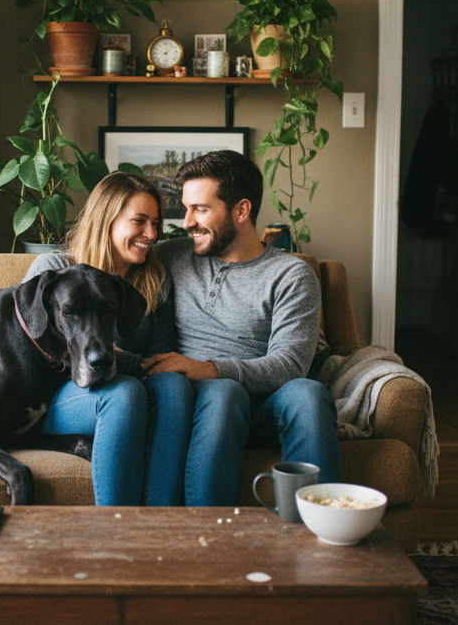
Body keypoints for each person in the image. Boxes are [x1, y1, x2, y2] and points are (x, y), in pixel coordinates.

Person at [142, 150, 340, 506]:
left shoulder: (292, 275)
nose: (187, 222)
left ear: (241, 210)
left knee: (309, 394)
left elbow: (291, 364)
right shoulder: (171, 257)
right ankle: (209, 538)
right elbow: (101, 254)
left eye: (200, 209)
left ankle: (319, 534)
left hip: (265, 402)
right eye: (186, 208)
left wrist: (213, 369)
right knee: (224, 393)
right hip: (199, 401)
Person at [23, 172, 193, 506]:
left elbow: (161, 357)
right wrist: (118, 359)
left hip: (129, 383)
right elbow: (29, 349)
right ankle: (115, 527)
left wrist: (119, 359)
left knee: (175, 386)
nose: (151, 234)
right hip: (59, 396)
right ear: (106, 220)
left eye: (156, 223)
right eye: (139, 221)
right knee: (125, 392)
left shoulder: (154, 279)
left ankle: (163, 522)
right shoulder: (55, 270)